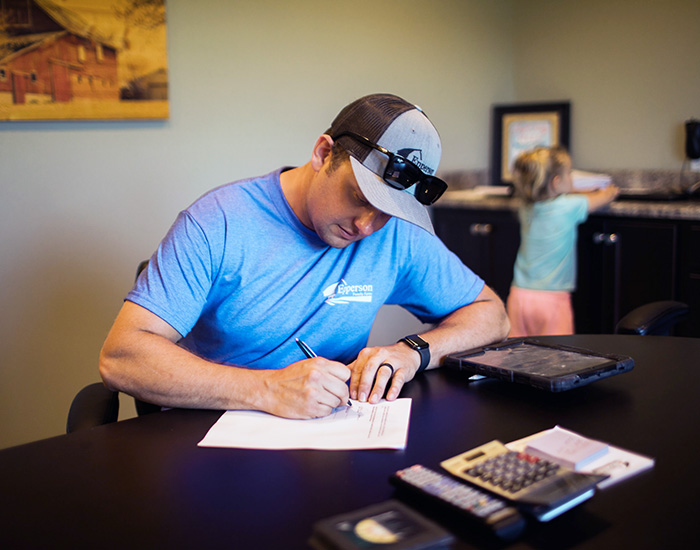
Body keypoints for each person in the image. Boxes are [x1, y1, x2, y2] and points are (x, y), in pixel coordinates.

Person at [99, 93, 510, 419]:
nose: (366, 226)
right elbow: (121, 357)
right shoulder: (219, 221)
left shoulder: (396, 235)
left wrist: (413, 351)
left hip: (332, 436)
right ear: (322, 153)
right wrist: (267, 389)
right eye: (359, 196)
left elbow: (492, 314)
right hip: (211, 437)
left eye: (386, 212)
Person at [506, 145, 619, 337]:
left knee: (518, 357)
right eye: (569, 174)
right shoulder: (569, 206)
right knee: (558, 360)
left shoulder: (526, 206)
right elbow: (605, 196)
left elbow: (558, 193)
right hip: (552, 301)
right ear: (556, 182)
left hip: (519, 296)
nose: (572, 179)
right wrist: (609, 190)